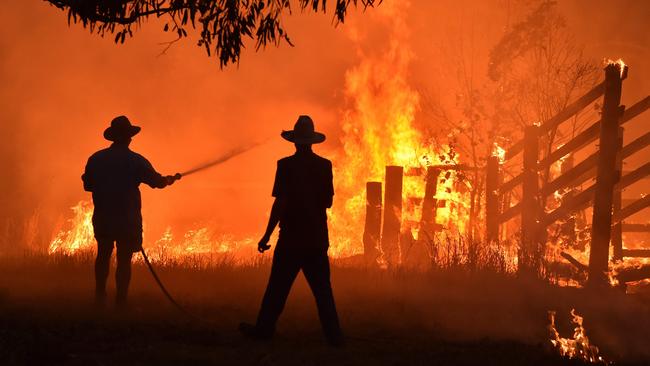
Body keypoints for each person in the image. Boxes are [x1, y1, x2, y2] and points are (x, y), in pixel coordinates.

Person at [239, 115, 343, 346]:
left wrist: (266, 235)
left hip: (291, 239)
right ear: (312, 142)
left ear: (295, 142)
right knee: (323, 292)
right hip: (316, 239)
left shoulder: (285, 165)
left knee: (277, 288)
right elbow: (328, 202)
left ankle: (263, 330)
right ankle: (335, 338)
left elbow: (280, 203)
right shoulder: (324, 166)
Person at [82, 116, 180, 308]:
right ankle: (121, 301)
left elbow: (88, 186)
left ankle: (99, 296)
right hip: (127, 219)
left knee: (103, 255)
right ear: (128, 138)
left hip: (103, 217)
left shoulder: (96, 159)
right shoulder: (135, 161)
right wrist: (169, 179)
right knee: (124, 260)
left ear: (112, 138)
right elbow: (157, 182)